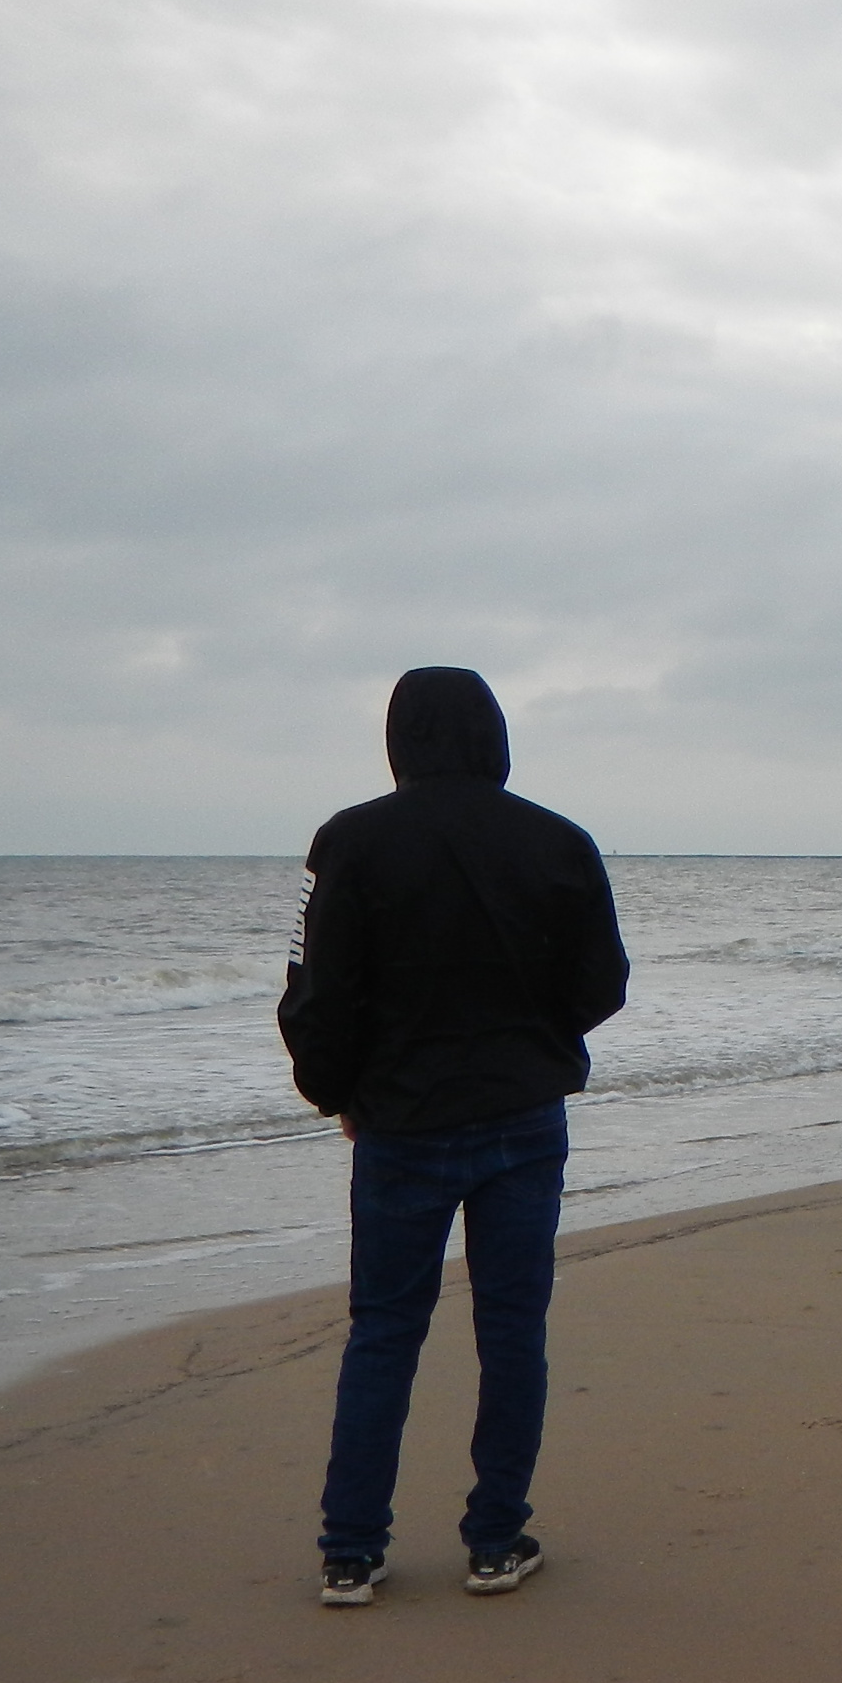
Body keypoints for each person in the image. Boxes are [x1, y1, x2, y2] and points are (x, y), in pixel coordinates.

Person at [280, 668, 630, 1605]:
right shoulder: (558, 840)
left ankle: (351, 1551)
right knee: (512, 1331)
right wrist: (537, 1043)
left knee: (385, 1332)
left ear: (399, 739)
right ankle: (495, 1541)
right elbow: (602, 981)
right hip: (523, 1114)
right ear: (494, 735)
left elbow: (317, 989)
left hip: (400, 1119)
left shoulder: (350, 840)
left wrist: (335, 1090)